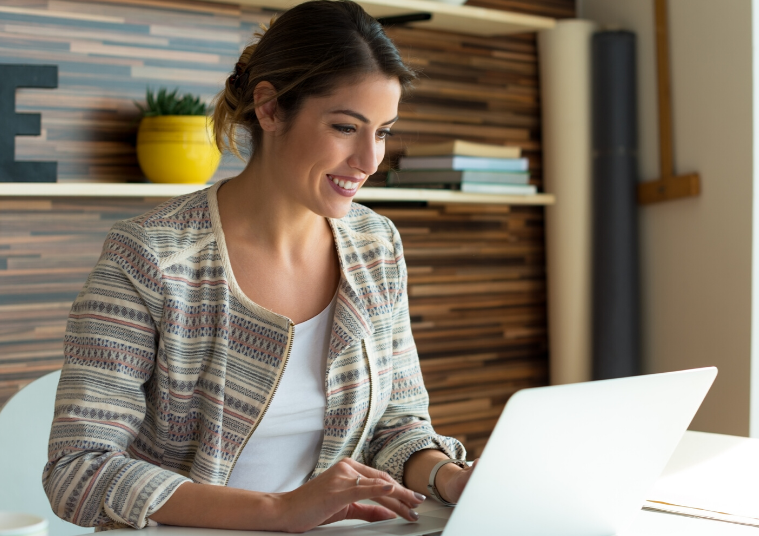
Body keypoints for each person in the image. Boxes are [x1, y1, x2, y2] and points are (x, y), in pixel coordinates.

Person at [42, 1, 475, 532]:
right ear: (269, 108)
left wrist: (449, 478)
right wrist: (281, 512)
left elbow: (397, 427)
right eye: (345, 127)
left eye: (382, 131)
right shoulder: (151, 256)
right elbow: (78, 469)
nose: (369, 160)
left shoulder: (374, 245)